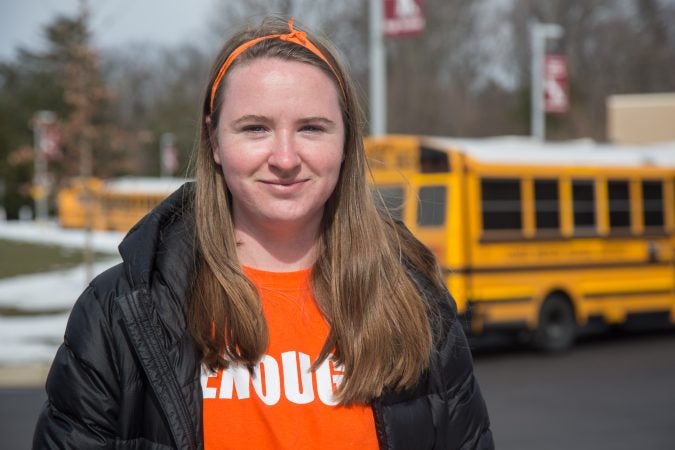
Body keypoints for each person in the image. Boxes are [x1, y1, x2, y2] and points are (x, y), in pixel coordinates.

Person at [33, 16, 493, 449]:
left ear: (346, 140)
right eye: (255, 128)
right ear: (214, 141)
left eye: (312, 128)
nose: (286, 158)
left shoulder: (414, 300)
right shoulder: (122, 311)